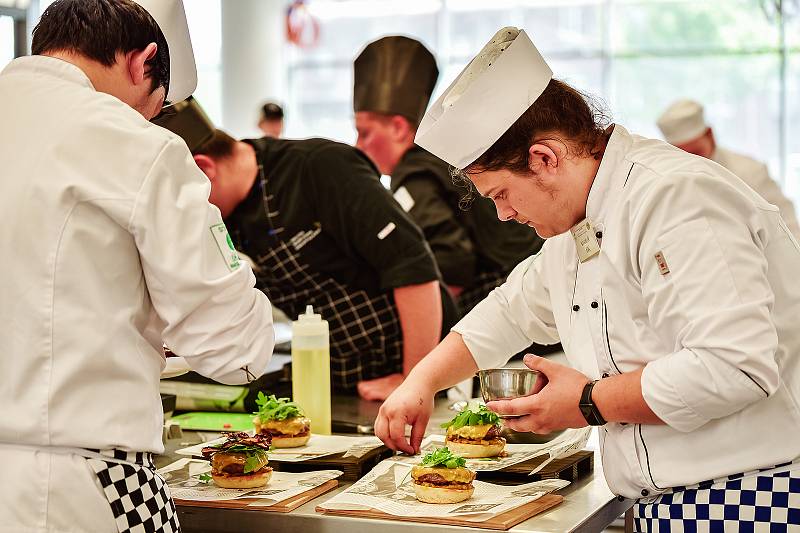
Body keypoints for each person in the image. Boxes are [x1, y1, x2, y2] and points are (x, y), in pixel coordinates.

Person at [375, 27, 800, 531]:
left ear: (544, 158)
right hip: (663, 505)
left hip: (750, 501)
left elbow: (734, 367)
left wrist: (586, 402)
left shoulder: (675, 197)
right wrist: (421, 382)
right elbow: (510, 310)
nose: (505, 215)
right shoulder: (576, 229)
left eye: (501, 194)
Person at [0, 1, 276, 531]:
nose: (150, 117)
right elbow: (235, 350)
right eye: (156, 105)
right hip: (80, 478)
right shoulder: (137, 143)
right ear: (142, 62)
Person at [155, 97, 458, 402]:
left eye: (183, 198)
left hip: (409, 367)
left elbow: (412, 267)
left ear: (205, 169)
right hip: (337, 377)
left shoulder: (321, 168)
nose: (186, 212)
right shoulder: (225, 214)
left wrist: (413, 380)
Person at [353, 35, 544, 313]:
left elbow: (452, 261)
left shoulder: (412, 176)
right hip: (537, 286)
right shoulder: (444, 156)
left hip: (511, 300)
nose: (358, 145)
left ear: (397, 128)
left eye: (364, 133)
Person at [657, 98, 800, 239]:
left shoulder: (750, 171)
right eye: (682, 156)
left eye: (696, 152)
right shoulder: (668, 182)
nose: (691, 161)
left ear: (710, 136)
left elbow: (787, 226)